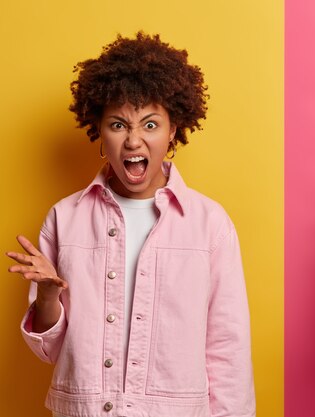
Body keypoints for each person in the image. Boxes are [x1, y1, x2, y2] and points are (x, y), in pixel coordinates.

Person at [6, 32, 255, 417]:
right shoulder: (64, 218)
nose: (134, 141)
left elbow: (228, 349)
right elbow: (50, 350)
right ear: (100, 132)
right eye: (119, 125)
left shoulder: (210, 225)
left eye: (150, 125)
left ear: (173, 129)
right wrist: (47, 296)